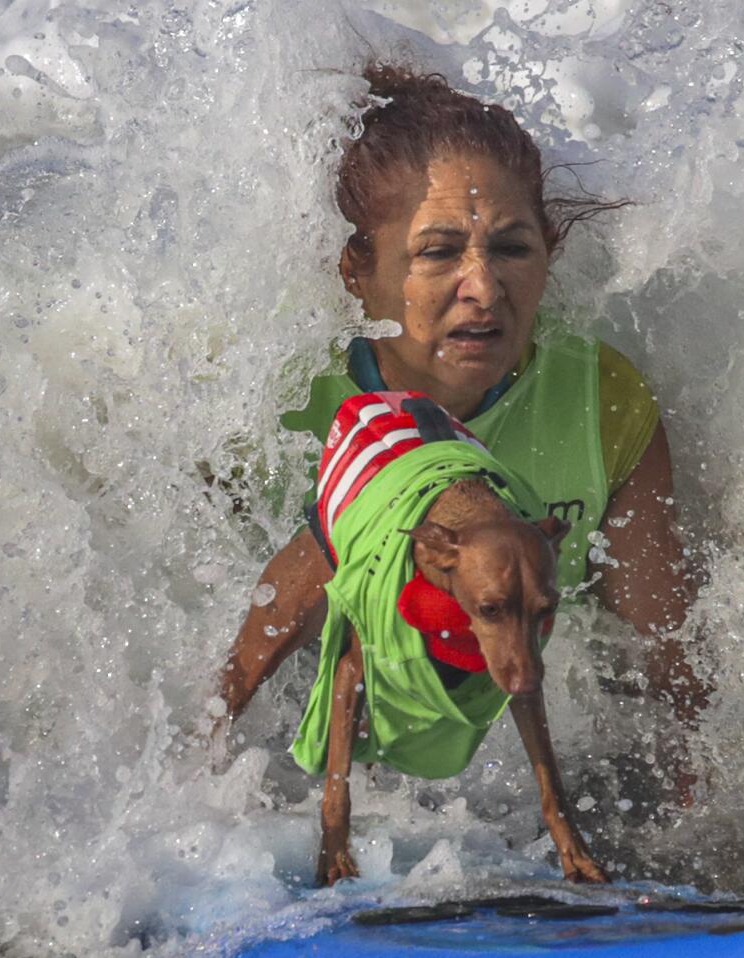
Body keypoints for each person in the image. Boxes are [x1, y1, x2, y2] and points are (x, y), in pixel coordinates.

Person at [216, 60, 704, 808]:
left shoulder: (602, 403)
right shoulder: (276, 408)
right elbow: (215, 673)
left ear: (548, 252)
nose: (483, 286)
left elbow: (667, 679)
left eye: (511, 248)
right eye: (438, 252)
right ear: (360, 270)